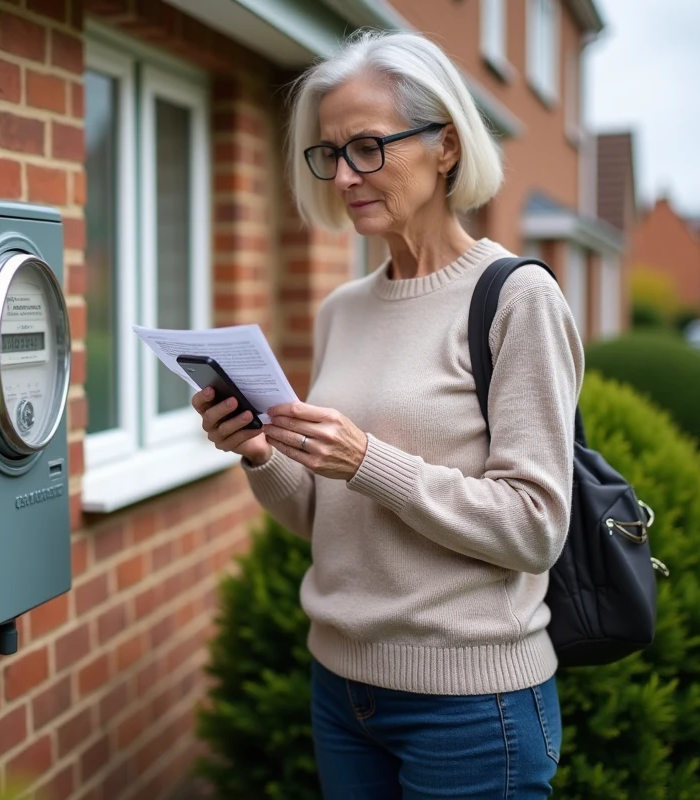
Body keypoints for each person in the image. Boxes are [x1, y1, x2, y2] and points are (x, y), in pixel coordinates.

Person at [192, 29, 584, 799]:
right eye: (328, 153)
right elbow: (325, 520)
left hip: (474, 708)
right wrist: (261, 456)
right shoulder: (342, 310)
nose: (343, 175)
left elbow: (537, 526)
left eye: (367, 147)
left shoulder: (516, 298)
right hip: (342, 689)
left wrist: (369, 460)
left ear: (444, 148)